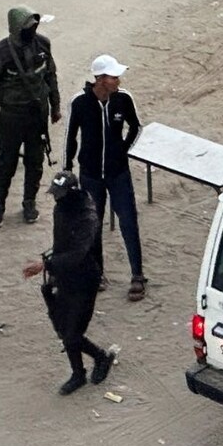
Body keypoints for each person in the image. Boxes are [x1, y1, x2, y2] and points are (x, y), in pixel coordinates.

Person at [22, 171, 116, 396]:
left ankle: (98, 359)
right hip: (64, 276)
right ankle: (80, 372)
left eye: (60, 195)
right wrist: (53, 273)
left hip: (85, 280)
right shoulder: (60, 209)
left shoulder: (88, 218)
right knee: (64, 329)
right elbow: (61, 244)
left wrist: (45, 265)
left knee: (73, 333)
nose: (56, 199)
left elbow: (78, 254)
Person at [63, 54, 148, 302]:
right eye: (113, 76)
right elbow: (71, 137)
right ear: (100, 79)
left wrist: (122, 149)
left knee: (129, 222)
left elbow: (136, 126)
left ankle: (137, 274)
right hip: (90, 174)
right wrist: (68, 169)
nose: (118, 80)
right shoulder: (79, 102)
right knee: (93, 225)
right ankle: (97, 272)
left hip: (118, 173)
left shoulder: (123, 99)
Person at [0, 5, 61, 228]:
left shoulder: (43, 44)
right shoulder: (1, 52)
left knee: (35, 160)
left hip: (37, 114)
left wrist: (55, 105)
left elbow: (50, 75)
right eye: (28, 26)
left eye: (34, 25)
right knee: (6, 163)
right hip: (12, 116)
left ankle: (29, 202)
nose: (32, 29)